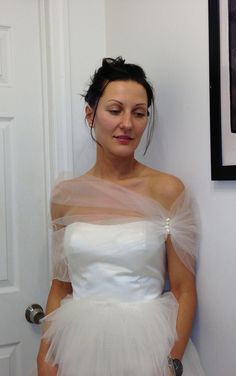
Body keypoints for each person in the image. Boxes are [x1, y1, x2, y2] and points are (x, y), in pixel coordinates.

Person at [37, 57, 205, 376]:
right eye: (115, 110)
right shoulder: (65, 196)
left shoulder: (167, 190)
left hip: (147, 347)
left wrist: (170, 364)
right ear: (90, 115)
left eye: (138, 113)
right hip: (77, 346)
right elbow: (61, 287)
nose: (127, 124)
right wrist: (44, 358)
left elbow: (184, 289)